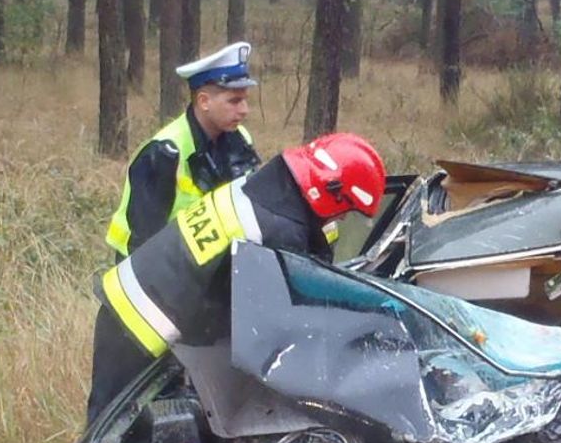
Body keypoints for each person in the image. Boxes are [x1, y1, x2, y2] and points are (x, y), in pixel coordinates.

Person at [85, 133, 386, 423]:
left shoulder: (269, 186)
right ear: (329, 191)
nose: (344, 219)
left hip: (139, 301)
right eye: (347, 209)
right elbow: (271, 328)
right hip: (137, 320)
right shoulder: (277, 228)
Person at [104, 42, 263, 257]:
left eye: (245, 100)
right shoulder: (163, 152)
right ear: (204, 101)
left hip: (203, 263)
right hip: (151, 269)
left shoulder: (241, 138)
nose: (244, 110)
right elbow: (144, 244)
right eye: (234, 101)